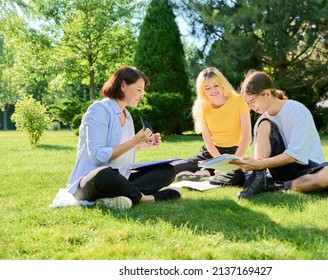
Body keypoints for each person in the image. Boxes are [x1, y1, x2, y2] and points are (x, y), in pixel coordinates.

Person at [66, 66, 181, 210]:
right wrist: (134, 141)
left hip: (120, 178)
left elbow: (121, 149)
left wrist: (142, 144)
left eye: (143, 91)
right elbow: (98, 157)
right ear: (123, 85)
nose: (142, 95)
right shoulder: (98, 110)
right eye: (139, 90)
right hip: (91, 181)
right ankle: (146, 198)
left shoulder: (127, 115)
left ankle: (117, 196)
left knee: (167, 170)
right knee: (105, 174)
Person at [231, 70, 328, 198]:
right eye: (247, 102)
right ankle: (259, 180)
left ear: (266, 94)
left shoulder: (297, 110)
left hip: (308, 168)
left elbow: (294, 155)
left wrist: (259, 164)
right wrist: (251, 164)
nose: (250, 107)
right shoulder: (262, 121)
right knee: (265, 123)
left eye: (252, 101)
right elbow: (260, 158)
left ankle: (280, 186)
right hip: (279, 169)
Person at [171, 67, 252, 186]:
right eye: (207, 88)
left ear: (222, 84)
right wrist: (218, 162)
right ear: (202, 90)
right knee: (172, 169)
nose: (213, 90)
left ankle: (206, 175)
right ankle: (205, 172)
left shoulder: (239, 101)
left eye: (216, 86)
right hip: (210, 153)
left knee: (237, 178)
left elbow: (246, 138)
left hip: (233, 153)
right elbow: (208, 142)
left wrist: (229, 163)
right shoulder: (201, 108)